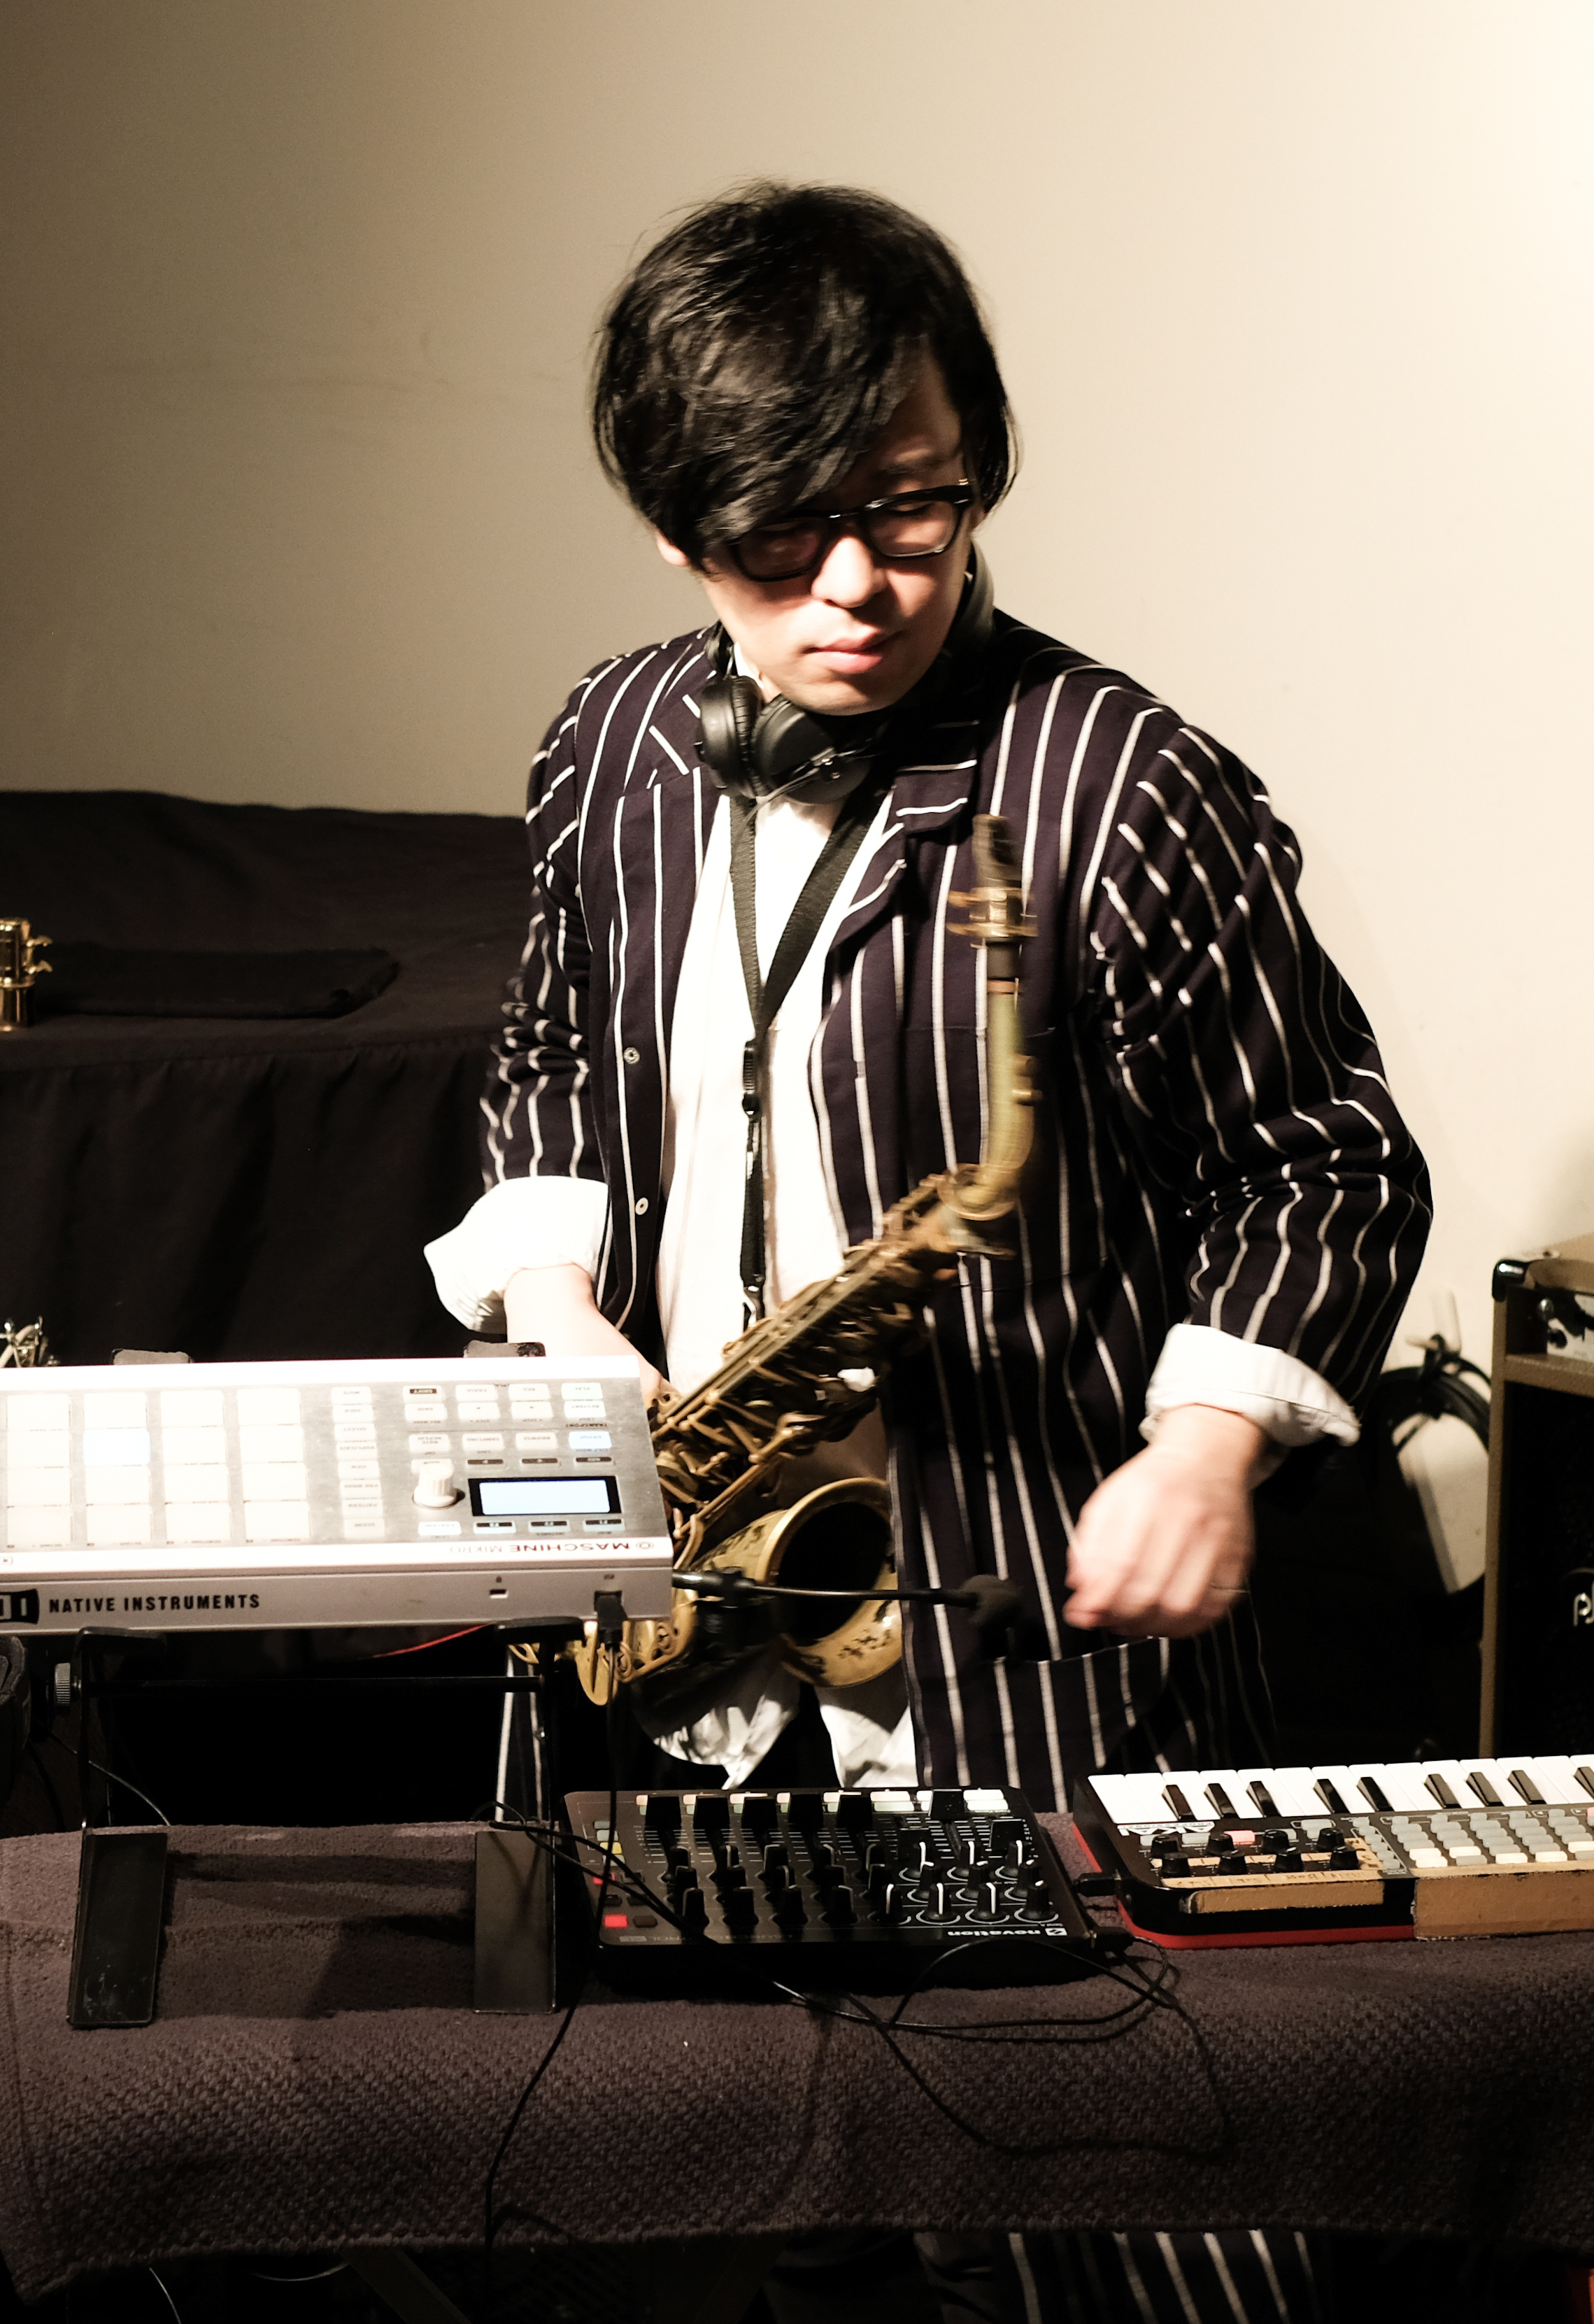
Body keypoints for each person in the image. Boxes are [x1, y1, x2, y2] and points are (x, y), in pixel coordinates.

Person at [427, 174, 1432, 2324]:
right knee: (776, 2217)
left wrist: (1205, 1444)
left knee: (1117, 2226)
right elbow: (552, 1055)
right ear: (670, 522)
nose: (859, 588)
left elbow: (1325, 1165)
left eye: (914, 509)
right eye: (779, 536)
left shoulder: (1121, 790)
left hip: (1023, 1665)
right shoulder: (609, 745)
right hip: (699, 1666)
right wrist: (554, 1302)